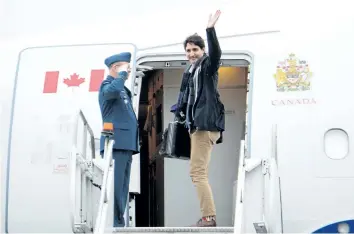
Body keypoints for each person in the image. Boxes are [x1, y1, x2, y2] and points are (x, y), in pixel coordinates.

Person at [173, 10, 225, 227]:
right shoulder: (190, 71)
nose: (191, 53)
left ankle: (209, 217)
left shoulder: (207, 67)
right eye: (188, 50)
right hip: (196, 126)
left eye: (195, 49)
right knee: (197, 172)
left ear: (202, 50)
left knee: (197, 172)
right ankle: (208, 216)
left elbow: (216, 54)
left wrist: (210, 30)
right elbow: (188, 98)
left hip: (204, 126)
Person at [98, 52, 139, 227]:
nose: (128, 71)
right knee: (115, 186)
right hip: (116, 142)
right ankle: (115, 222)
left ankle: (118, 221)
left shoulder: (122, 89)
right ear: (115, 67)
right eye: (125, 67)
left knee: (122, 186)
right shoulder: (108, 85)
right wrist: (121, 75)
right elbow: (111, 93)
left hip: (126, 143)